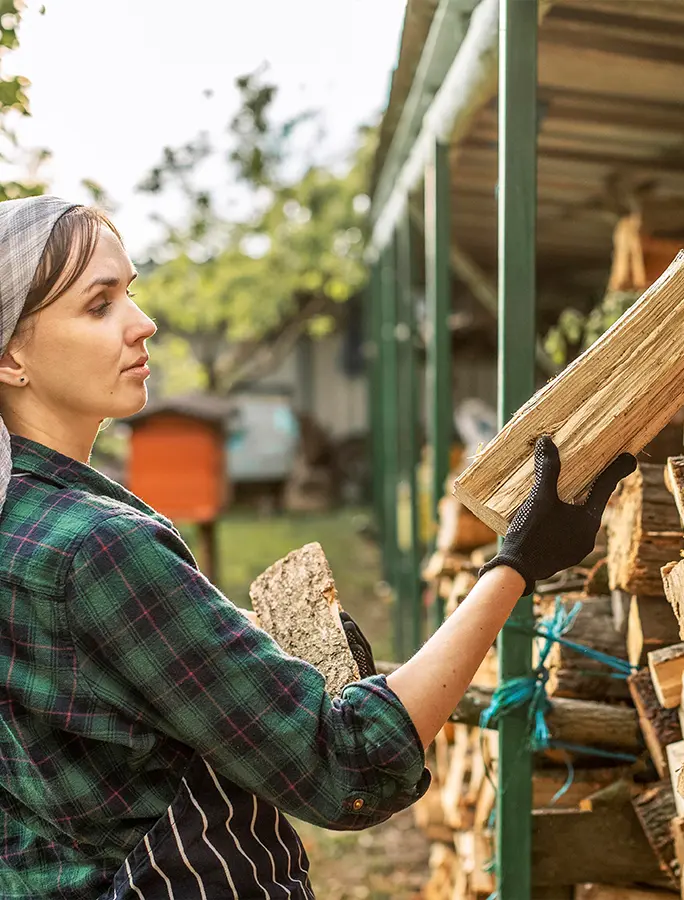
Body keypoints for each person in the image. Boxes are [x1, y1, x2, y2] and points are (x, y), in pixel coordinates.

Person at [0, 196, 637, 900]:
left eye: (132, 293)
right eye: (99, 305)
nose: (142, 323)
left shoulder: (19, 524)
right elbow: (349, 768)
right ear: (10, 357)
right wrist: (517, 562)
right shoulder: (101, 550)